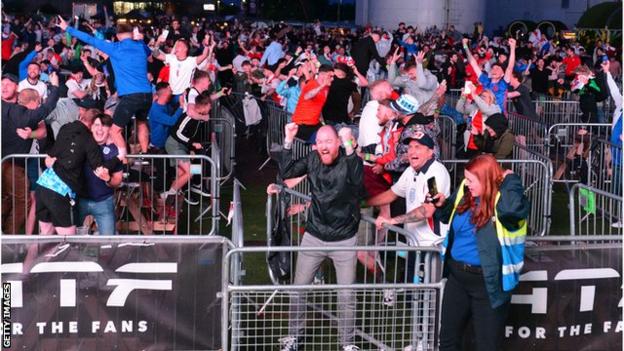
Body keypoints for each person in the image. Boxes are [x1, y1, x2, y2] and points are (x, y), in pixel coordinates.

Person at [277, 122, 363, 351]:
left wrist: (349, 145)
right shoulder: (313, 158)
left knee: (346, 295)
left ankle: (347, 343)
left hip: (344, 238)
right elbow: (286, 173)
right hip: (314, 235)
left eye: (328, 141)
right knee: (298, 289)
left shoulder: (349, 159)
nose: (323, 146)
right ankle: (294, 336)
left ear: (337, 143)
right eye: (319, 142)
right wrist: (288, 140)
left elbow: (357, 180)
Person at [430, 154, 529, 351]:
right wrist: (440, 205)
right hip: (458, 278)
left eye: (471, 180)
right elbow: (446, 218)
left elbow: (512, 211)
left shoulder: (505, 200)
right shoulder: (465, 193)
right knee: (448, 339)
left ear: (487, 180)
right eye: (465, 179)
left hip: (488, 283)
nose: (466, 184)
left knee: (486, 345)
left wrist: (511, 179)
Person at [57, 16, 153, 158]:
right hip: (147, 94)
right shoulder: (140, 46)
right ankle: (146, 156)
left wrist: (67, 28)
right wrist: (139, 39)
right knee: (142, 122)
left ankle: (123, 163)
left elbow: (89, 39)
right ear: (132, 33)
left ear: (118, 36)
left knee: (114, 131)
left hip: (131, 96)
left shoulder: (115, 47)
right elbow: (150, 55)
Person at [36, 108, 111, 235]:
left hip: (44, 184)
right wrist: (118, 158)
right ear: (93, 124)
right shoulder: (88, 140)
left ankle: (31, 256)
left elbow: (55, 152)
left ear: (82, 117)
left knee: (45, 235)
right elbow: (98, 168)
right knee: (69, 239)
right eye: (99, 124)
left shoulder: (65, 128)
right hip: (61, 190)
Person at [1, 72, 59, 234]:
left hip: (16, 164)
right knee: (22, 201)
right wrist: (54, 86)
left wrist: (30, 134)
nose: (4, 87)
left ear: (17, 88)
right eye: (2, 84)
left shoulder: (21, 108)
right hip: (10, 164)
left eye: (8, 84)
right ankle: (9, 240)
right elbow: (46, 108)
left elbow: (42, 129)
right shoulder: (16, 111)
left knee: (9, 200)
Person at [369, 131, 451, 245]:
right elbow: (392, 194)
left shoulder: (436, 174)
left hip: (431, 244)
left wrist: (392, 221)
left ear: (430, 152)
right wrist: (365, 203)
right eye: (410, 147)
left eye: (418, 147)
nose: (412, 151)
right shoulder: (410, 171)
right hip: (414, 241)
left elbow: (426, 210)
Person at [76, 113, 123, 235]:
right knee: (72, 240)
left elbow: (117, 180)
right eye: (96, 125)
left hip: (104, 201)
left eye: (104, 126)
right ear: (91, 127)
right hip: (79, 200)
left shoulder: (114, 150)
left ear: (109, 129)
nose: (100, 129)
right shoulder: (80, 144)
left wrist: (108, 179)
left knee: (108, 241)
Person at [463, 37, 516, 112]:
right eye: (493, 68)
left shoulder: (503, 83)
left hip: (497, 117)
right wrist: (465, 46)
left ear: (502, 74)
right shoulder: (485, 80)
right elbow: (473, 63)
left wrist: (513, 48)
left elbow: (510, 67)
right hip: (484, 114)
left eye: (497, 69)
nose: (494, 70)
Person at [290, 64, 334, 141]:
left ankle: (350, 147)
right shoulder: (312, 84)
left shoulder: (326, 88)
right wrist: (322, 85)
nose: (332, 79)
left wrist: (323, 123)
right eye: (330, 76)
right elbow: (307, 96)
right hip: (302, 124)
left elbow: (319, 107)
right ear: (322, 75)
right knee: (322, 142)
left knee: (332, 137)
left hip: (315, 123)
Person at [148, 82, 183, 151]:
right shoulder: (156, 110)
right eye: (170, 89)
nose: (172, 91)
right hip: (158, 147)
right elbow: (171, 121)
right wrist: (181, 107)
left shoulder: (167, 104)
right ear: (165, 91)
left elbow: (179, 96)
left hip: (166, 144)